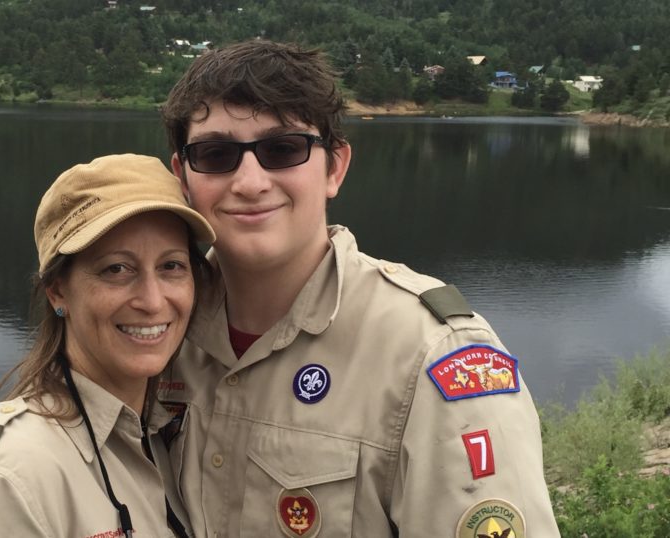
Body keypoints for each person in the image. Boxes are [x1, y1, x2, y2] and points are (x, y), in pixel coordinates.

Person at [156, 41, 560, 537]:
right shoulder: (156, 330)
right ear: (183, 177)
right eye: (216, 154)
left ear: (334, 168)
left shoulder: (432, 355)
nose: (250, 181)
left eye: (283, 148)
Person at [0, 154, 214, 537]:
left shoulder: (157, 435)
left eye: (171, 266)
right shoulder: (10, 483)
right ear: (58, 292)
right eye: (117, 269)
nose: (152, 301)